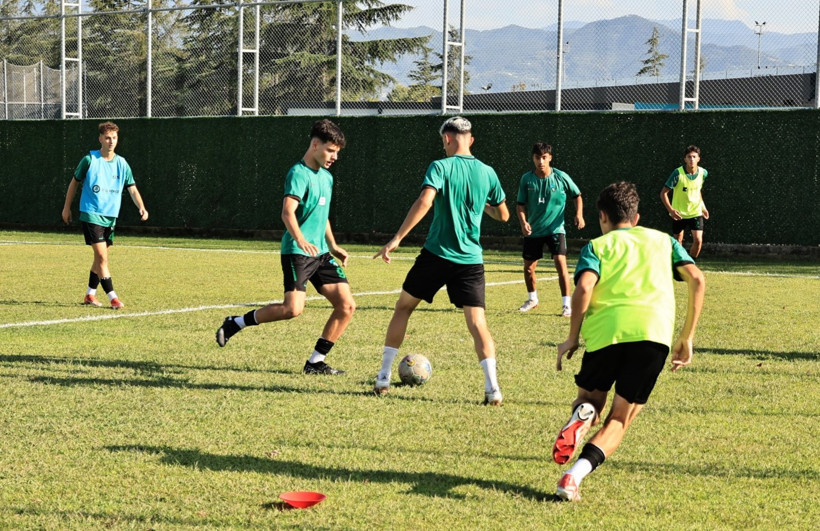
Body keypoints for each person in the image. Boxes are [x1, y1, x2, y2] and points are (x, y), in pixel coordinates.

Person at [552, 181, 705, 502]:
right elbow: (697, 278)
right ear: (636, 218)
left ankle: (582, 415)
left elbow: (583, 289)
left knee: (590, 401)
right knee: (620, 419)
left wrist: (572, 338)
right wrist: (686, 337)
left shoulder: (598, 246)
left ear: (603, 217)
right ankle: (572, 477)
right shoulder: (664, 241)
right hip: (653, 337)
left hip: (605, 335)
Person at [372, 116, 510, 405]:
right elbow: (503, 215)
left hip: (436, 255)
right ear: (470, 139)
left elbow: (425, 200)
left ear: (447, 139)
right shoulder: (488, 172)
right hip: (471, 260)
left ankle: (383, 377)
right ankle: (493, 389)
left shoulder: (440, 166)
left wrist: (397, 238)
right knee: (477, 324)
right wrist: (479, 203)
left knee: (403, 307)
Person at [215, 119, 355, 375]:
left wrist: (333, 245)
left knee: (346, 306)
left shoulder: (327, 177)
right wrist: (301, 239)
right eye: (330, 150)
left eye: (337, 152)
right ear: (315, 145)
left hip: (320, 254)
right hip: (297, 252)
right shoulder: (298, 173)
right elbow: (287, 212)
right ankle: (236, 322)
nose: (334, 156)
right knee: (292, 309)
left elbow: (321, 216)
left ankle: (315, 363)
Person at [61, 121, 149, 310]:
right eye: (107, 137)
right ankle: (113, 298)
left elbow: (131, 188)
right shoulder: (89, 160)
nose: (111, 141)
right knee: (102, 258)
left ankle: (90, 295)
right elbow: (74, 183)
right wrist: (66, 208)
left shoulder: (122, 163)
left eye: (114, 138)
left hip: (110, 217)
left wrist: (141, 206)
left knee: (99, 259)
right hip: (91, 214)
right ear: (100, 138)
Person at [516, 142, 584, 316]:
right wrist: (524, 222)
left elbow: (577, 195)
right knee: (529, 268)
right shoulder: (526, 179)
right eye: (537, 158)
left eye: (544, 157)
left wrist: (579, 214)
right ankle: (532, 299)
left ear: (550, 158)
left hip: (556, 229)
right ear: (533, 158)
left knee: (560, 264)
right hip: (534, 231)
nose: (541, 161)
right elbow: (520, 205)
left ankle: (566, 305)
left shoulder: (561, 177)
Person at [660, 145, 709, 258]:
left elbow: (698, 190)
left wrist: (703, 207)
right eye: (689, 157)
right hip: (679, 214)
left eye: (694, 157)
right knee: (678, 241)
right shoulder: (677, 173)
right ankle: (680, 264)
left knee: (698, 240)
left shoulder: (703, 173)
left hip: (695, 212)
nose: (691, 159)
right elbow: (663, 193)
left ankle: (691, 263)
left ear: (698, 159)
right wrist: (671, 210)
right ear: (685, 159)